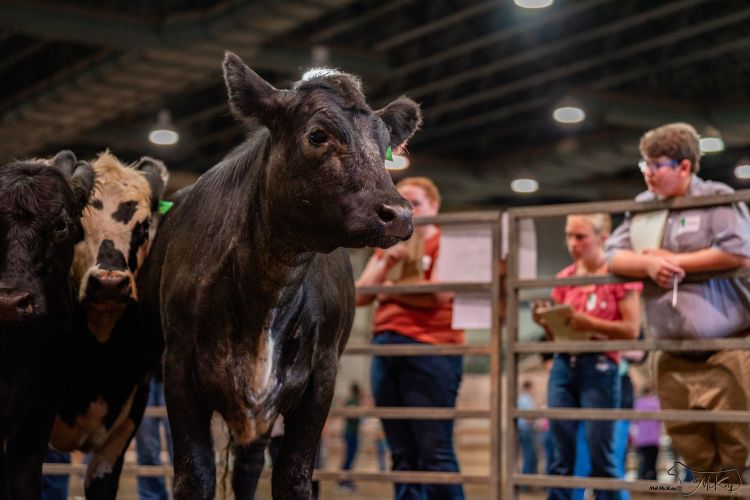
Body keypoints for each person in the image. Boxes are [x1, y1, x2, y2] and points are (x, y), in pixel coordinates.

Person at [606, 122, 750, 483]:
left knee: (737, 451)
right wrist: (649, 264)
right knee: (695, 455)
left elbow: (739, 252)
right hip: (672, 352)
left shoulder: (716, 197)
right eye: (645, 166)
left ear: (684, 167)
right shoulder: (642, 208)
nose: (648, 174)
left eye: (656, 166)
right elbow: (613, 257)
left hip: (727, 350)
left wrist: (673, 261)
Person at [356, 176, 465, 500]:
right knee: (401, 451)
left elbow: (440, 294)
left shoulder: (447, 242)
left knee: (434, 450)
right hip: (386, 348)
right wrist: (388, 262)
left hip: (432, 349)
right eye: (403, 201)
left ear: (435, 206)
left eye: (416, 202)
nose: (409, 208)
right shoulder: (389, 245)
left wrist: (388, 290)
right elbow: (360, 294)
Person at [532, 213, 642, 500]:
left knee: (601, 456)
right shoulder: (565, 278)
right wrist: (545, 322)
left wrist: (590, 324)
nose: (572, 243)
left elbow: (631, 330)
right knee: (560, 454)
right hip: (564, 364)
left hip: (601, 365)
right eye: (569, 235)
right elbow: (561, 333)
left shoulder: (619, 276)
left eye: (580, 237)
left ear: (602, 238)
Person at [135, 380, 173, 500]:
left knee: (181, 447)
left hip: (175, 370)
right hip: (144, 375)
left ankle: (184, 495)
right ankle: (151, 497)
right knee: (147, 451)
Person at [631, 385, 661, 480]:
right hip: (653, 439)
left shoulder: (638, 403)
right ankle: (653, 486)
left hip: (641, 439)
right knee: (652, 464)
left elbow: (634, 422)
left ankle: (641, 484)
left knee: (642, 464)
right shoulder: (656, 403)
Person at [338, 382, 361, 492]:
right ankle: (344, 481)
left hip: (351, 433)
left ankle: (345, 480)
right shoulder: (354, 402)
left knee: (349, 457)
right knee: (349, 458)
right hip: (351, 434)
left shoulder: (352, 401)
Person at [517, 380, 538, 475]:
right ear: (529, 388)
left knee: (523, 455)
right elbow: (530, 416)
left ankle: (523, 476)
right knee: (529, 454)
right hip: (526, 429)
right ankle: (527, 477)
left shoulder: (520, 398)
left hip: (520, 429)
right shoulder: (527, 399)